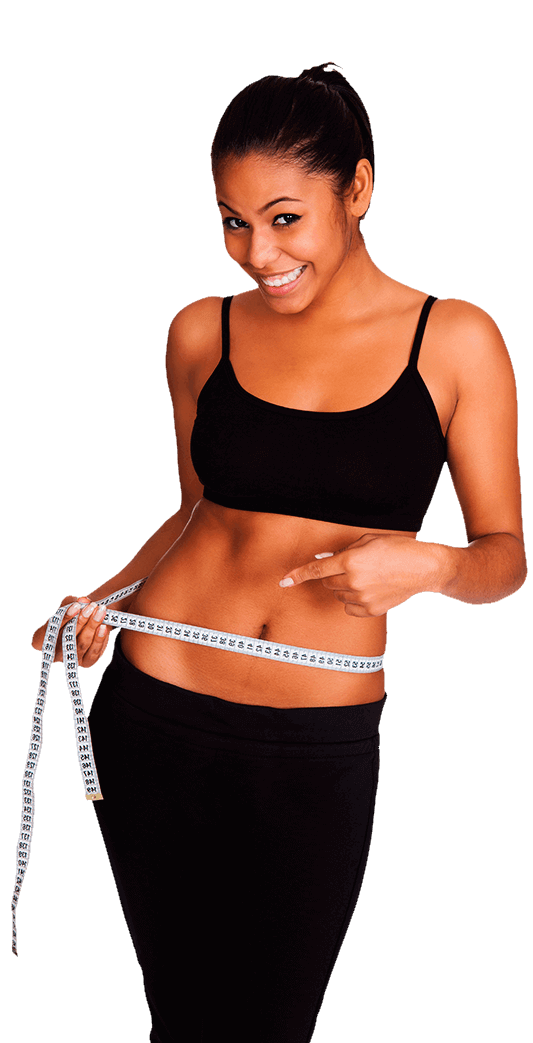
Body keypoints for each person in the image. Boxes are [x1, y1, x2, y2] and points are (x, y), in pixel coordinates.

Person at [30, 61, 526, 1043]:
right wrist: (101, 600)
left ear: (358, 188)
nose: (258, 252)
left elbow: (503, 557)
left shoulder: (453, 338)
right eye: (232, 221)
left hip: (314, 734)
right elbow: (192, 512)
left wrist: (429, 565)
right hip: (155, 702)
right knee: (180, 1017)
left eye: (285, 218)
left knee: (271, 1023)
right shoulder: (200, 330)